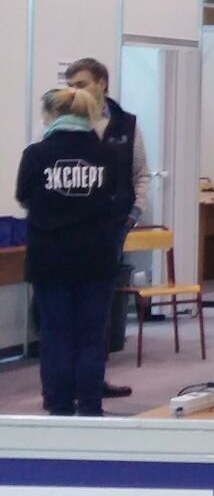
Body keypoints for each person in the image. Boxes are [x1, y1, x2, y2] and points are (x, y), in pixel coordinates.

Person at [16, 87, 129, 416]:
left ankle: (59, 408)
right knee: (92, 336)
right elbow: (120, 199)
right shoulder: (108, 154)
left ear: (51, 114)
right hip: (97, 257)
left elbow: (24, 196)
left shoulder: (36, 155)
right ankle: (91, 407)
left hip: (50, 258)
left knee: (56, 335)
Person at [62, 58, 145, 400]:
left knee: (99, 310)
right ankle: (66, 383)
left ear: (102, 83)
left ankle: (94, 379)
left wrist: (132, 215)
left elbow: (140, 174)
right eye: (70, 86)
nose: (74, 92)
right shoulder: (62, 123)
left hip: (111, 229)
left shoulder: (126, 124)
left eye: (80, 84)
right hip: (69, 231)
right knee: (68, 310)